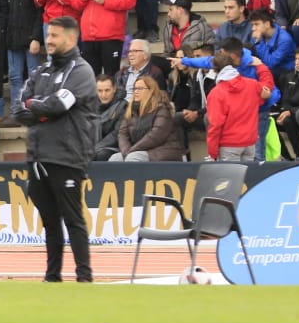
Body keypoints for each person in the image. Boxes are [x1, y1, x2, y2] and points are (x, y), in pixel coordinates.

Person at [15, 16, 96, 283]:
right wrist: (40, 108)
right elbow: (18, 110)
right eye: (48, 35)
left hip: (67, 155)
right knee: (49, 222)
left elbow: (58, 106)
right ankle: (52, 277)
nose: (49, 40)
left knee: (73, 219)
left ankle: (84, 277)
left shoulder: (81, 71)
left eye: (55, 36)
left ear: (71, 39)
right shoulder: (41, 71)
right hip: (38, 157)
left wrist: (35, 106)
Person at [206, 43, 265, 162]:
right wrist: (262, 67)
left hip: (229, 145)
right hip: (250, 143)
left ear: (215, 70)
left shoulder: (216, 93)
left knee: (230, 180)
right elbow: (266, 90)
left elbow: (215, 125)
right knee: (248, 179)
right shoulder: (252, 84)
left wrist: (212, 152)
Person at [109, 76, 182, 161]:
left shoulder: (162, 109)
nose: (135, 91)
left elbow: (156, 135)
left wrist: (132, 150)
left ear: (151, 90)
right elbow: (122, 134)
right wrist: (126, 151)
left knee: (133, 157)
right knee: (115, 159)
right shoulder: (131, 110)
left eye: (140, 89)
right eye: (134, 89)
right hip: (139, 150)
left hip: (164, 150)